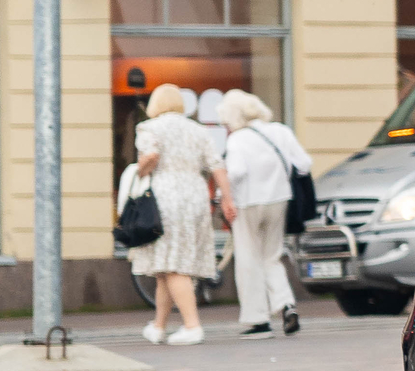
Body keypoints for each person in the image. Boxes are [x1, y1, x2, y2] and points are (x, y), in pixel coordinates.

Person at [130, 81, 235, 346]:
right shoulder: (198, 130)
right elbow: (216, 165)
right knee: (167, 265)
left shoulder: (148, 127)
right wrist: (227, 199)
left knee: (173, 266)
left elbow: (151, 156)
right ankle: (158, 325)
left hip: (166, 196)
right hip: (196, 195)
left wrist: (139, 171)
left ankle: (192, 325)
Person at [220, 90, 310, 337]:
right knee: (272, 256)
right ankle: (286, 304)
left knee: (248, 258)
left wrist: (224, 197)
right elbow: (303, 164)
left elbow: (236, 173)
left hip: (247, 202)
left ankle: (257, 320)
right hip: (279, 200)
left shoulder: (238, 139)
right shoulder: (280, 131)